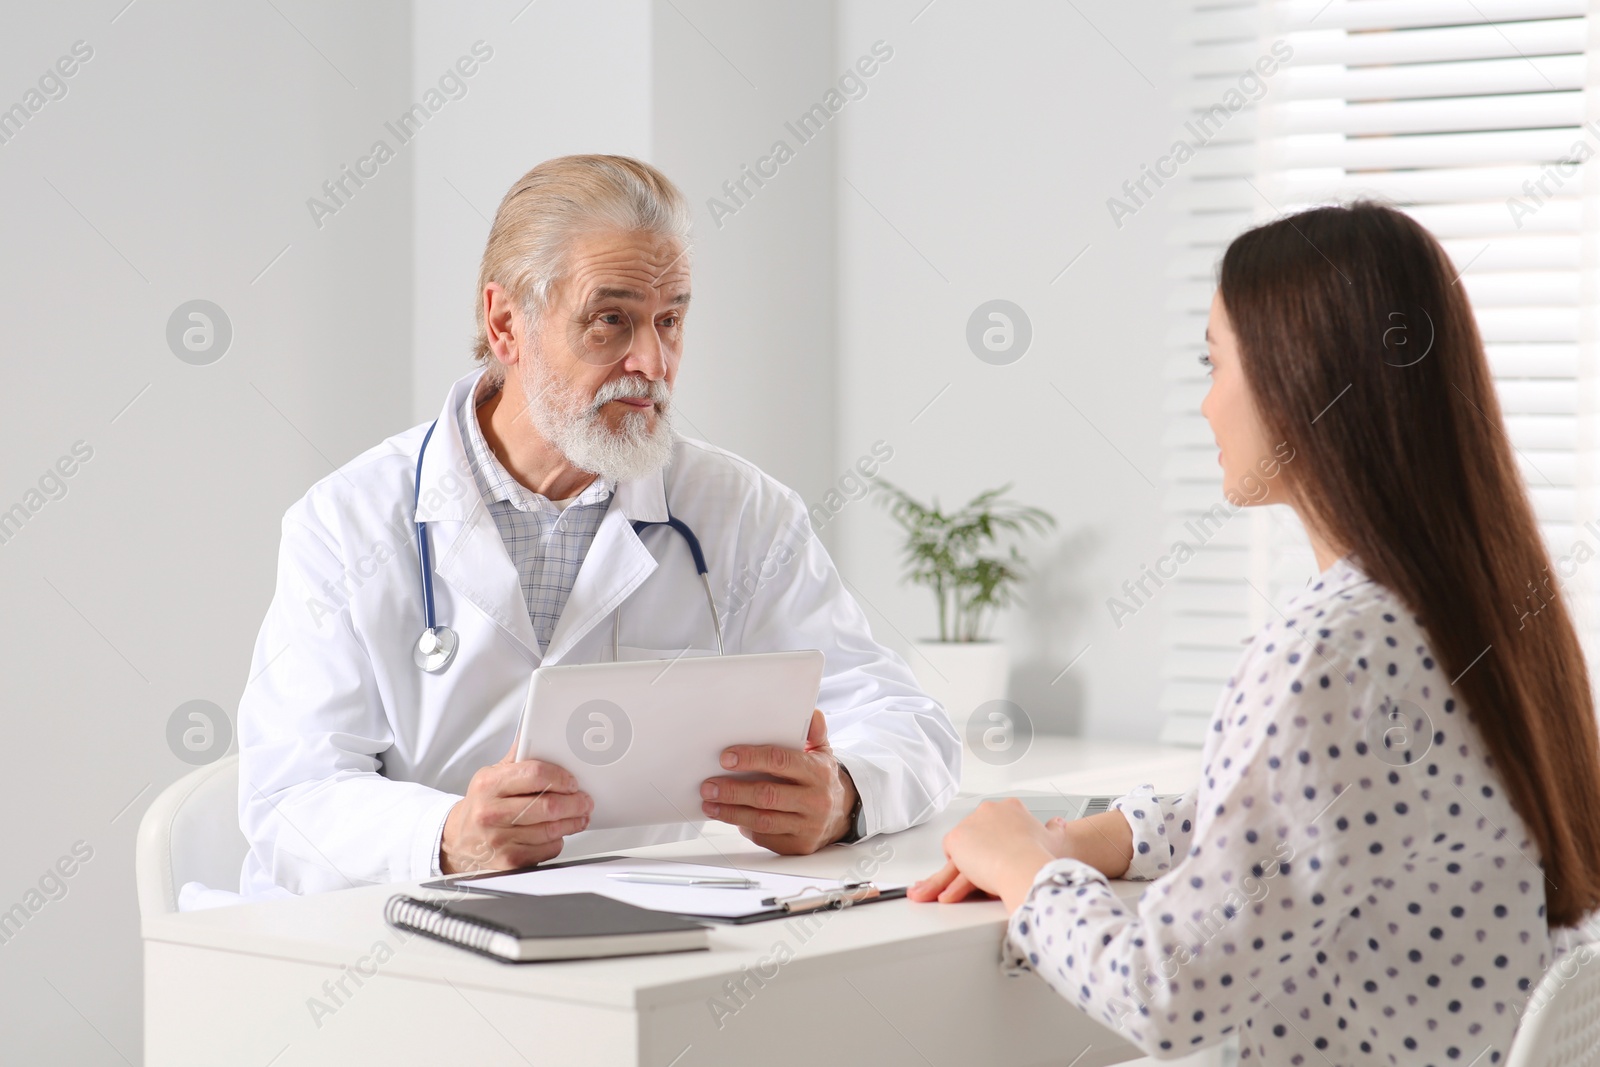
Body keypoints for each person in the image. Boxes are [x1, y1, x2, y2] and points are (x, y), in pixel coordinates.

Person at [910, 201, 1600, 1064]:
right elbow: (1322, 811)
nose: (1204, 405)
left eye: (1214, 362)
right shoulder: (1485, 613)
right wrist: (1114, 835)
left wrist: (1024, 868)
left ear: (1297, 380)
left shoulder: (1330, 649)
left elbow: (1164, 992)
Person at [234, 155, 959, 900]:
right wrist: (448, 836)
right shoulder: (348, 521)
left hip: (638, 947)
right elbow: (289, 798)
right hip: (386, 939)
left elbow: (908, 721)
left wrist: (842, 794)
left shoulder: (739, 512)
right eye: (610, 320)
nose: (651, 361)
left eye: (669, 320)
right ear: (506, 321)